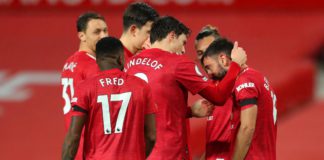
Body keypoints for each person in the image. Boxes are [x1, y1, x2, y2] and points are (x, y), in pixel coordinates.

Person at [125, 16, 247, 160]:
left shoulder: (128, 65)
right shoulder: (178, 63)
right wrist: (236, 65)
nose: (183, 50)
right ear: (171, 36)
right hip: (169, 153)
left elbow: (151, 108)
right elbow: (218, 97)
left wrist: (189, 112)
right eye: (183, 43)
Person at [62, 37, 157, 160]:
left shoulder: (85, 88)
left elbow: (73, 137)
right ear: (121, 58)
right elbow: (151, 135)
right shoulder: (141, 86)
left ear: (97, 60)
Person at [201, 38, 277, 160]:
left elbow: (247, 128)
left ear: (223, 59)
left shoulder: (245, 81)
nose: (209, 74)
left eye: (209, 67)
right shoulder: (256, 77)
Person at [60, 12, 108, 159]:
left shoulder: (69, 63)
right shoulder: (93, 67)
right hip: (92, 149)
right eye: (97, 32)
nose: (104, 36)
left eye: (105, 30)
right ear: (82, 36)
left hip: (75, 147)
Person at [194, 25, 233, 160]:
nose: (205, 57)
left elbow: (247, 131)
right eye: (200, 53)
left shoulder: (237, 83)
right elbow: (215, 143)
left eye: (209, 50)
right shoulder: (211, 87)